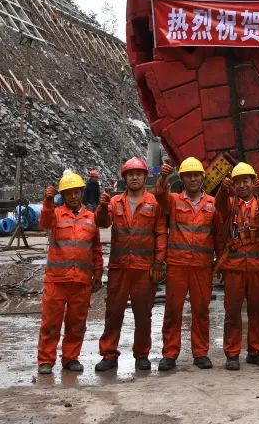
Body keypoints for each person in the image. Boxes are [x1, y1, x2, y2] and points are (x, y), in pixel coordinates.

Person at [93, 157, 166, 372]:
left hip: (144, 269)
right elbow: (102, 223)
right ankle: (108, 354)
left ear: (145, 177)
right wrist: (102, 207)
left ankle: (142, 354)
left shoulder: (154, 203)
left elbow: (161, 233)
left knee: (143, 313)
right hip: (119, 267)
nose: (134, 177)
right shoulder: (115, 202)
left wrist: (159, 262)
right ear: (125, 178)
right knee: (113, 311)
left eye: (138, 174)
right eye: (130, 174)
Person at [154, 157, 220, 371]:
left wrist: (219, 263)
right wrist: (163, 177)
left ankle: (200, 353)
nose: (193, 179)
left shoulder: (213, 203)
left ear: (203, 178)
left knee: (201, 310)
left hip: (202, 265)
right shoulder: (173, 201)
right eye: (189, 175)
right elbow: (160, 195)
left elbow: (218, 234)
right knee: (173, 310)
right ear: (182, 178)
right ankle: (170, 353)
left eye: (196, 175)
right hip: (177, 265)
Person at [36, 171, 103, 375]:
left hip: (81, 282)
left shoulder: (91, 218)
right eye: (69, 193)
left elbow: (96, 249)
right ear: (63, 196)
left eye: (77, 192)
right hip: (57, 281)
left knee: (77, 323)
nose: (73, 196)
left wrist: (98, 274)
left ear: (82, 193)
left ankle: (71, 358)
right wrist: (48, 202)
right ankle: (46, 361)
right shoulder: (55, 215)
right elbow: (44, 223)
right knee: (50, 323)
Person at [215, 162, 259, 370]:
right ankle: (232, 354)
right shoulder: (229, 204)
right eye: (238, 181)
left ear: (252, 182)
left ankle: (255, 351)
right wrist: (223, 190)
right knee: (232, 311)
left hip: (257, 266)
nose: (242, 185)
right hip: (234, 267)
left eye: (246, 181)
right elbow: (219, 206)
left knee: (257, 310)